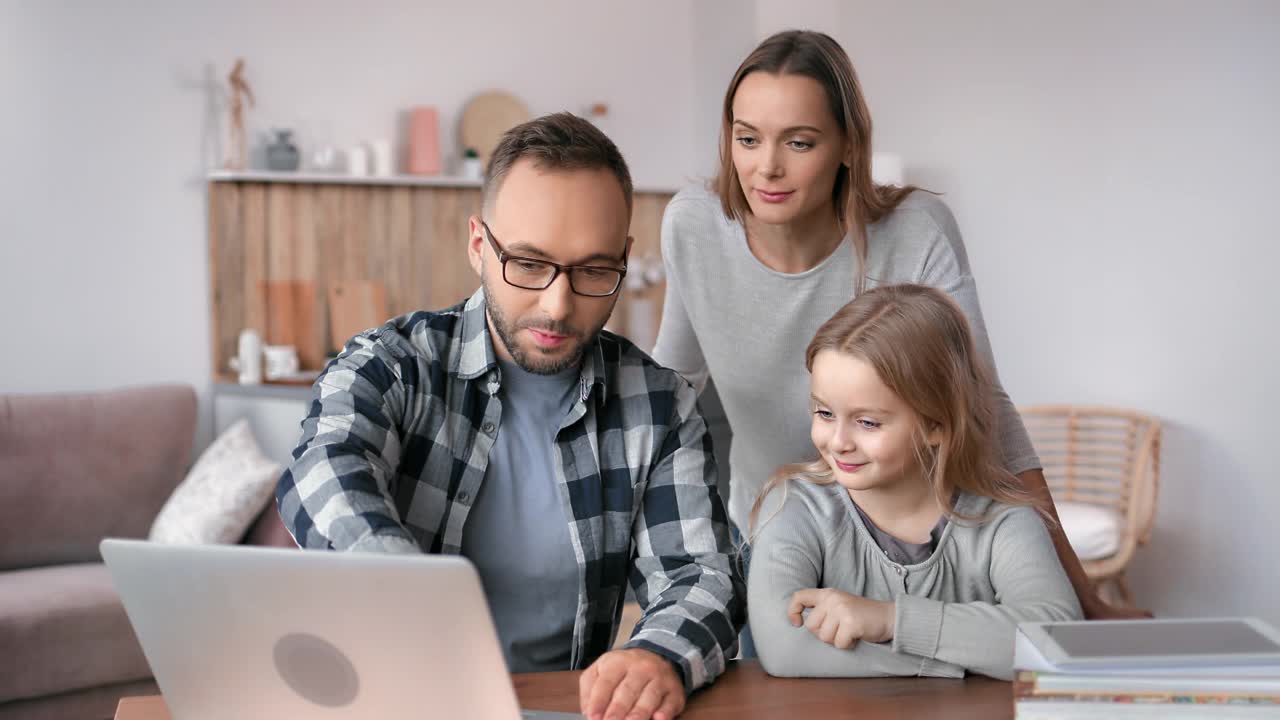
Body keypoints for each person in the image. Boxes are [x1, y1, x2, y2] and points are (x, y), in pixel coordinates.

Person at [652, 29, 1144, 626]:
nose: (767, 167)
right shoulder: (692, 226)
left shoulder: (916, 230)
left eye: (799, 142)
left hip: (919, 550)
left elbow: (985, 407)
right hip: (780, 544)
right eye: (747, 138)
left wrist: (1082, 592)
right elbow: (670, 393)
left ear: (848, 147)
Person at [276, 112, 744, 720]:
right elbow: (322, 472)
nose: (557, 305)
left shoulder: (661, 405)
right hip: (392, 702)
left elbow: (700, 572)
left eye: (594, 271)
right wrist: (407, 591)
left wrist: (658, 657)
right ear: (478, 244)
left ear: (624, 260)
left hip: (560, 708)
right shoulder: (391, 365)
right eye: (527, 263)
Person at [747, 284, 1083, 680]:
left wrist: (891, 621)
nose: (837, 442)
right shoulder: (794, 506)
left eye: (867, 422)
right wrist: (964, 662)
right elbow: (784, 649)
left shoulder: (1003, 519)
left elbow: (1057, 642)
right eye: (824, 413)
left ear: (936, 424)